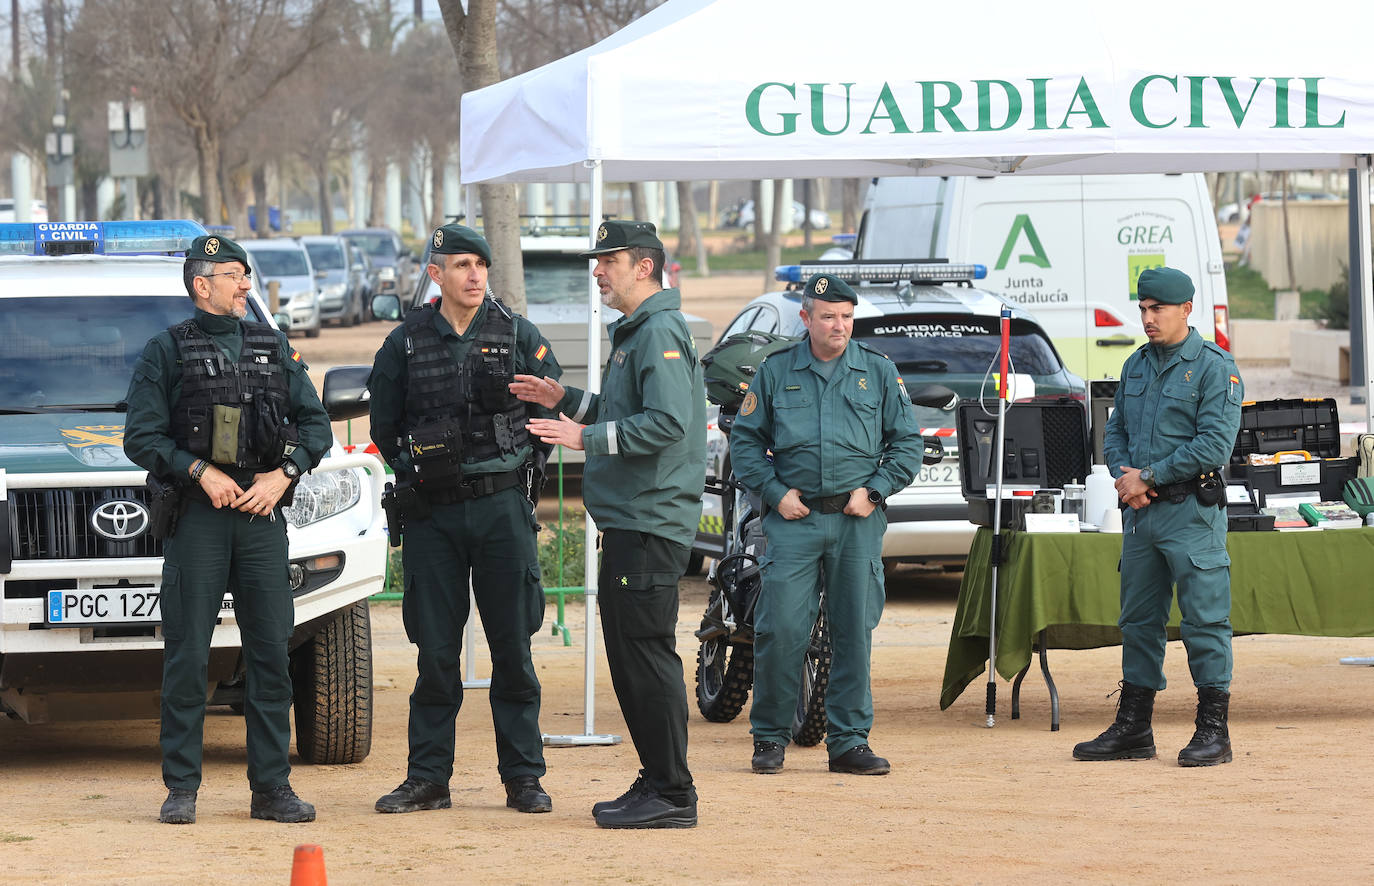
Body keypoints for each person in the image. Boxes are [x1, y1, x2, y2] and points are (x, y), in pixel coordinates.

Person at [124, 234, 332, 824]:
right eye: (236, 275)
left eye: (246, 275)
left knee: (270, 655)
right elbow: (141, 437)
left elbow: (316, 426)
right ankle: (181, 789)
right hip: (199, 520)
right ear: (202, 284)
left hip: (262, 517)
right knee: (188, 655)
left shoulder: (273, 345)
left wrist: (283, 476)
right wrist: (198, 471)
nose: (246, 285)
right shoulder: (166, 350)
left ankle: (272, 789)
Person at [509, 220, 705, 829]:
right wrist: (565, 401)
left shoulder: (659, 331)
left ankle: (672, 792)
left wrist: (583, 438)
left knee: (645, 658)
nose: (597, 271)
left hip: (649, 521)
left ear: (644, 267)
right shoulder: (639, 331)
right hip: (634, 521)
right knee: (633, 657)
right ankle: (660, 777)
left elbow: (667, 424)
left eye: (608, 260)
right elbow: (627, 412)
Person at [368, 223, 562, 816]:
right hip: (434, 516)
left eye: (481, 265)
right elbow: (384, 426)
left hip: (502, 509)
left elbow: (547, 412)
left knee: (514, 651)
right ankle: (428, 779)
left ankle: (524, 778)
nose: (475, 276)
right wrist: (419, 472)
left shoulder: (518, 334)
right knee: (435, 655)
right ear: (436, 274)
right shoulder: (404, 343)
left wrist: (523, 469)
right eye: (461, 265)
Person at [727, 273, 923, 777]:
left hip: (857, 520)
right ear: (806, 318)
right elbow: (745, 442)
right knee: (781, 629)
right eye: (829, 316)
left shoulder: (877, 370)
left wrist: (875, 491)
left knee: (853, 632)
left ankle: (849, 742)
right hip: (795, 519)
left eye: (847, 317)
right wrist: (775, 493)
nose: (839, 326)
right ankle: (770, 737)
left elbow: (907, 444)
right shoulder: (776, 370)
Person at [1072, 266, 1243, 767]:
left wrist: (1148, 476)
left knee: (1205, 621)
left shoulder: (1215, 367)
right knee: (1139, 622)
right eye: (1143, 309)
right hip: (1142, 516)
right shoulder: (1136, 365)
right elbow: (1115, 432)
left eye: (1158, 309)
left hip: (1191, 513)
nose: (1148, 318)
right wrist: (1127, 480)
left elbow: (1214, 445)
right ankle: (1134, 728)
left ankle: (1213, 730)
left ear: (1186, 309)